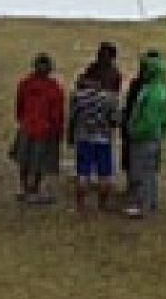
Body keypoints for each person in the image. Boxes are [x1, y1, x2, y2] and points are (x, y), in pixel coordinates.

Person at [124, 52, 166, 218]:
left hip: (143, 136)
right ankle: (150, 201)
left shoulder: (152, 91)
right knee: (150, 170)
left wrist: (134, 130)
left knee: (140, 170)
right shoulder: (163, 88)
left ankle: (139, 205)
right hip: (155, 135)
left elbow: (148, 118)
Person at [13, 53, 64, 203]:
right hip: (44, 129)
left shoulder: (25, 84)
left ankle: (24, 188)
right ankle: (33, 189)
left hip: (28, 126)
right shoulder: (54, 88)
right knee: (39, 161)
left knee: (25, 159)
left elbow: (19, 106)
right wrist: (58, 130)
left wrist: (22, 120)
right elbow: (57, 113)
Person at [67, 74, 119, 213]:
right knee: (104, 174)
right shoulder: (109, 99)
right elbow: (114, 121)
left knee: (83, 173)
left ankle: (80, 205)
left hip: (84, 138)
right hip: (103, 139)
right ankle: (102, 204)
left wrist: (70, 136)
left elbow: (72, 119)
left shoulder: (77, 98)